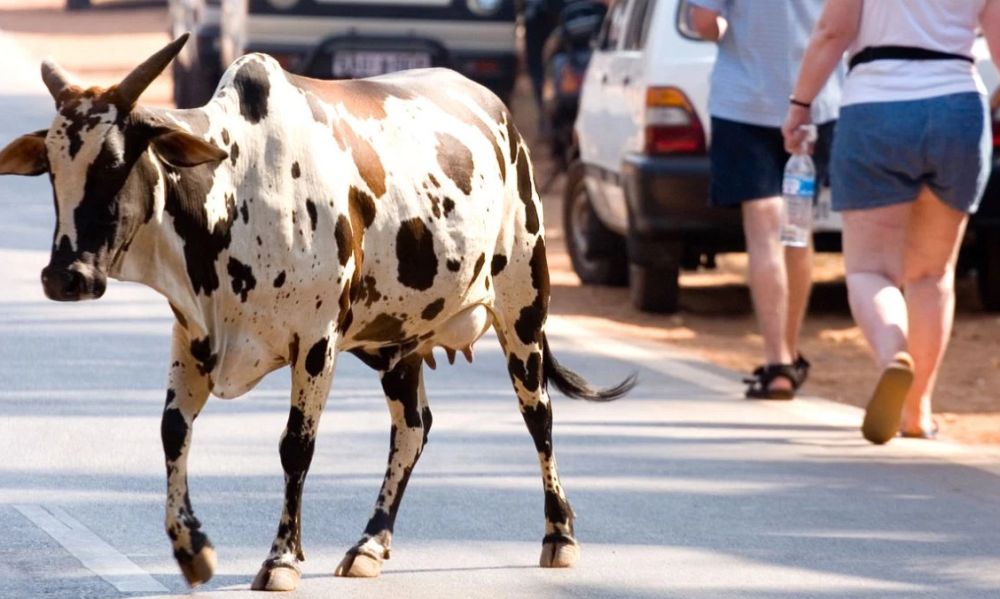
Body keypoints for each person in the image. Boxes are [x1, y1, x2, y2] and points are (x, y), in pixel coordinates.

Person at [782, 0, 999, 443]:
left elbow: (831, 31)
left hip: (876, 107)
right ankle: (916, 410)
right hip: (958, 105)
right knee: (932, 274)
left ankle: (892, 355)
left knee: (870, 269)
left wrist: (799, 104)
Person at [688, 0, 842, 400]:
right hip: (815, 103)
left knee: (763, 228)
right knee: (796, 225)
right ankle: (788, 354)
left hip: (744, 102)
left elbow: (701, 20)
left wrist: (736, 36)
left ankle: (777, 360)